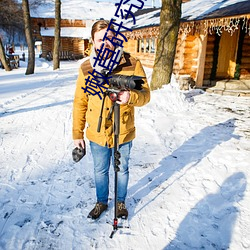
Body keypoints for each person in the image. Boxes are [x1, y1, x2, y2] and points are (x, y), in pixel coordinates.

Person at [72, 20, 150, 220]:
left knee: (122, 168)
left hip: (123, 130)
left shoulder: (132, 63)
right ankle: (101, 202)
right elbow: (80, 102)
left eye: (109, 39)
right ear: (93, 42)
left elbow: (146, 95)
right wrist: (77, 134)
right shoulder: (86, 68)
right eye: (100, 40)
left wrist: (130, 97)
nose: (105, 43)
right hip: (97, 133)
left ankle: (121, 202)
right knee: (100, 170)